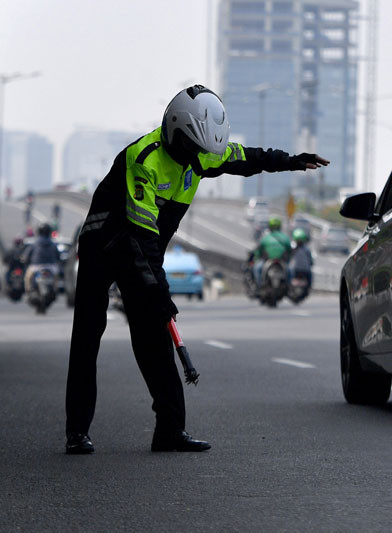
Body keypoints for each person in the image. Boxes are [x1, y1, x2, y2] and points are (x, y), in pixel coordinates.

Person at [65, 84, 329, 455]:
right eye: (195, 152)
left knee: (153, 333)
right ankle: (76, 431)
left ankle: (169, 431)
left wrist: (290, 160)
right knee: (89, 332)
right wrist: (162, 295)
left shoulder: (202, 152)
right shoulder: (144, 161)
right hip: (105, 244)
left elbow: (247, 158)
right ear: (176, 132)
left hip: (142, 244)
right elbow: (142, 241)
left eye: (206, 153)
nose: (200, 161)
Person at [252, 216, 292, 286]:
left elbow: (259, 250)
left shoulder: (266, 237)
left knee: (257, 269)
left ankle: (259, 286)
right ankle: (288, 286)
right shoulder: (285, 237)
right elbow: (289, 250)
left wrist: (257, 258)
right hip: (281, 261)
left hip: (268, 260)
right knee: (290, 271)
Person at [22, 223, 60, 294]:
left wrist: (25, 260)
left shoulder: (35, 243)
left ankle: (28, 290)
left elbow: (26, 255)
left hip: (36, 266)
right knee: (56, 277)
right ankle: (55, 289)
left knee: (28, 277)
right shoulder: (53, 244)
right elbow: (58, 256)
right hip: (51, 266)